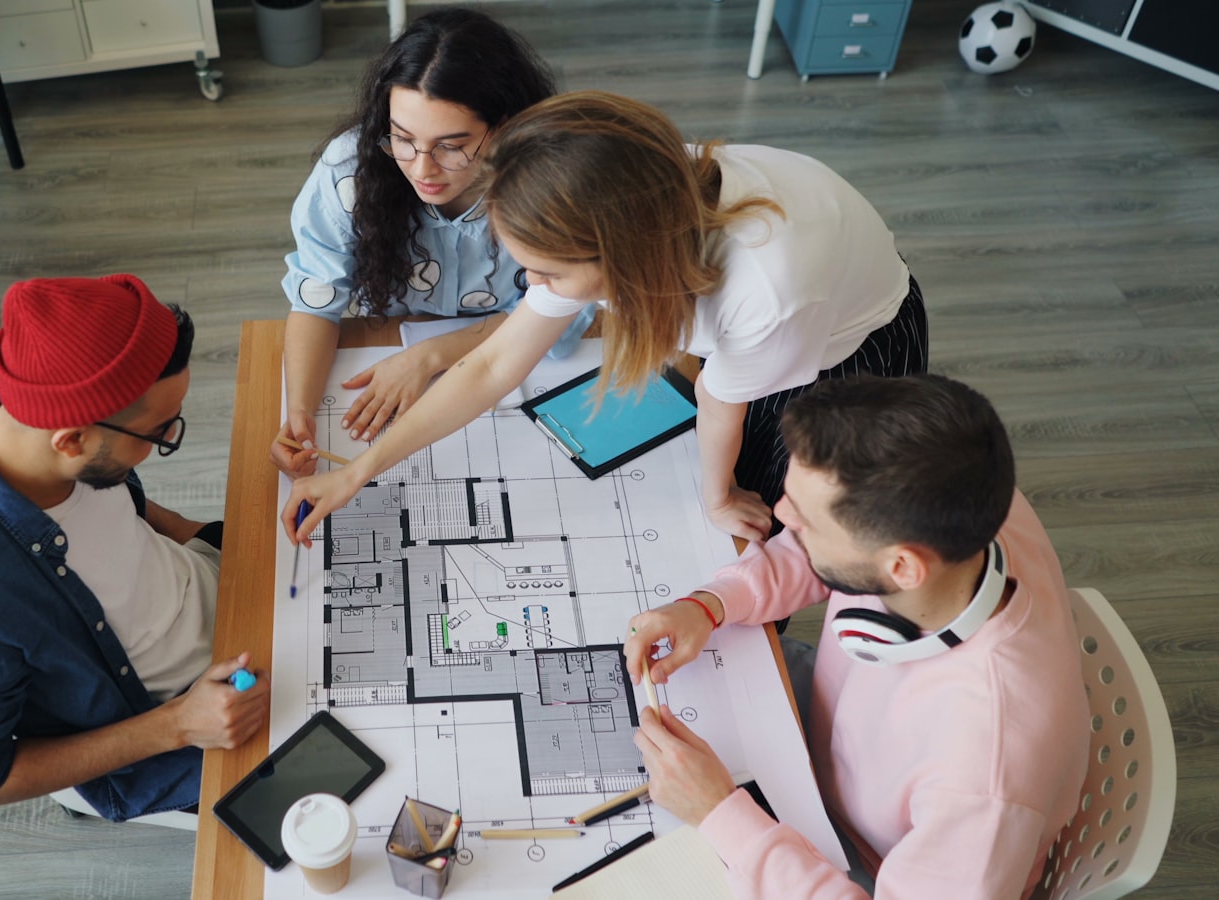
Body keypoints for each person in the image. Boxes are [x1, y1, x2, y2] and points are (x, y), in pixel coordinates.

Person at [280, 91, 926, 544]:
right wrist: (357, 472)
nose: (533, 289)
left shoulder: (765, 290)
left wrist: (718, 497)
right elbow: (491, 364)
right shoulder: (609, 201)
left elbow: (720, 398)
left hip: (847, 348)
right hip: (764, 308)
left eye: (550, 274)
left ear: (617, 254)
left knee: (783, 517)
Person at [624, 374, 1090, 898]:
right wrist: (709, 606)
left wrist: (719, 812)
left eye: (804, 522)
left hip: (867, 862)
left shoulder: (984, 778)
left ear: (903, 568)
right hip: (830, 745)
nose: (780, 515)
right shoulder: (956, 500)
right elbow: (818, 555)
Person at [0, 275, 269, 822]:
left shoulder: (6, 388)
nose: (164, 442)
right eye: (159, 433)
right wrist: (180, 723)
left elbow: (115, 507)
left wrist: (203, 533)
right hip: (179, 714)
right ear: (71, 441)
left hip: (209, 592)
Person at [271, 8, 593, 478]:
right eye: (402, 139)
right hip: (405, 343)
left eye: (451, 146)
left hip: (518, 352)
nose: (422, 170)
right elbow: (316, 296)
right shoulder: (350, 171)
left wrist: (432, 354)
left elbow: (569, 312)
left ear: (504, 127)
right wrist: (298, 411)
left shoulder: (551, 183)